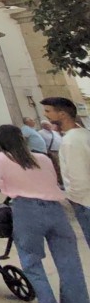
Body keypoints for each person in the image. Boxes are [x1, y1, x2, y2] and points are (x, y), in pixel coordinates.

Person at [0, 124, 90, 303]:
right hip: (56, 211)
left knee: (31, 259)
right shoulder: (43, 158)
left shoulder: (0, 158)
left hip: (27, 210)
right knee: (70, 264)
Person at [42, 97, 90, 247]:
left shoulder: (70, 141)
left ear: (62, 114)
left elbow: (78, 176)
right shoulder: (84, 134)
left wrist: (73, 198)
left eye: (48, 111)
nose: (45, 115)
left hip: (85, 201)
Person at [38, 119, 64, 185]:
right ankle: (60, 180)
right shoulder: (41, 133)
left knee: (63, 164)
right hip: (52, 151)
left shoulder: (54, 132)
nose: (48, 126)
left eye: (49, 124)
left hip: (60, 150)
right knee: (57, 166)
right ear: (43, 126)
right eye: (46, 125)